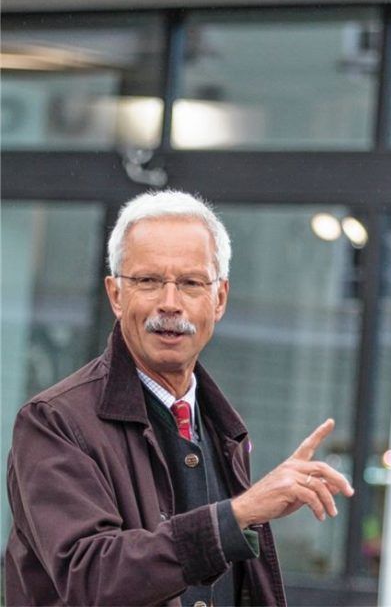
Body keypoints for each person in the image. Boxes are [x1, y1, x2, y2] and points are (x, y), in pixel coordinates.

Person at [5, 190, 354, 607]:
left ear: (219, 299)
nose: (170, 304)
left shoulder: (223, 428)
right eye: (148, 281)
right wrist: (239, 515)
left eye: (190, 283)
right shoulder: (55, 421)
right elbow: (91, 577)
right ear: (116, 295)